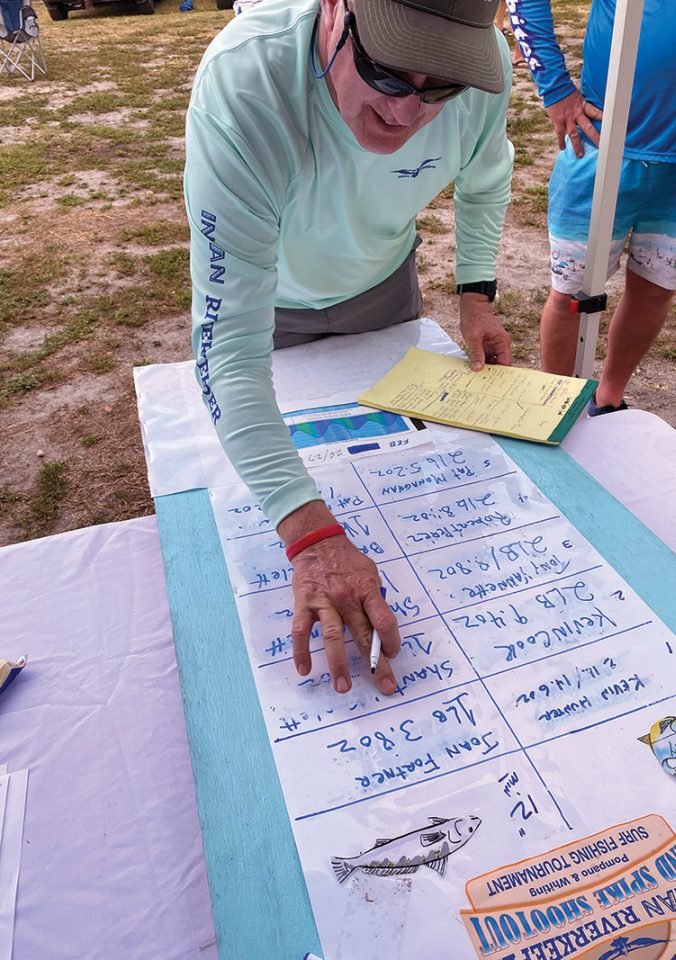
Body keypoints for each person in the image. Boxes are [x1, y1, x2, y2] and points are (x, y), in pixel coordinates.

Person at [184, 0, 515, 696]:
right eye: (388, 72)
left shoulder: (483, 75)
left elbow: (486, 176)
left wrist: (476, 295)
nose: (408, 113)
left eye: (442, 88)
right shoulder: (246, 85)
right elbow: (230, 352)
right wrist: (308, 536)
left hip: (382, 288)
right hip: (269, 300)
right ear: (335, 11)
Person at [507, 0, 676, 414]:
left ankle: (609, 398)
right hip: (602, 149)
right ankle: (556, 406)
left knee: (655, 291)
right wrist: (555, 89)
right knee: (573, 295)